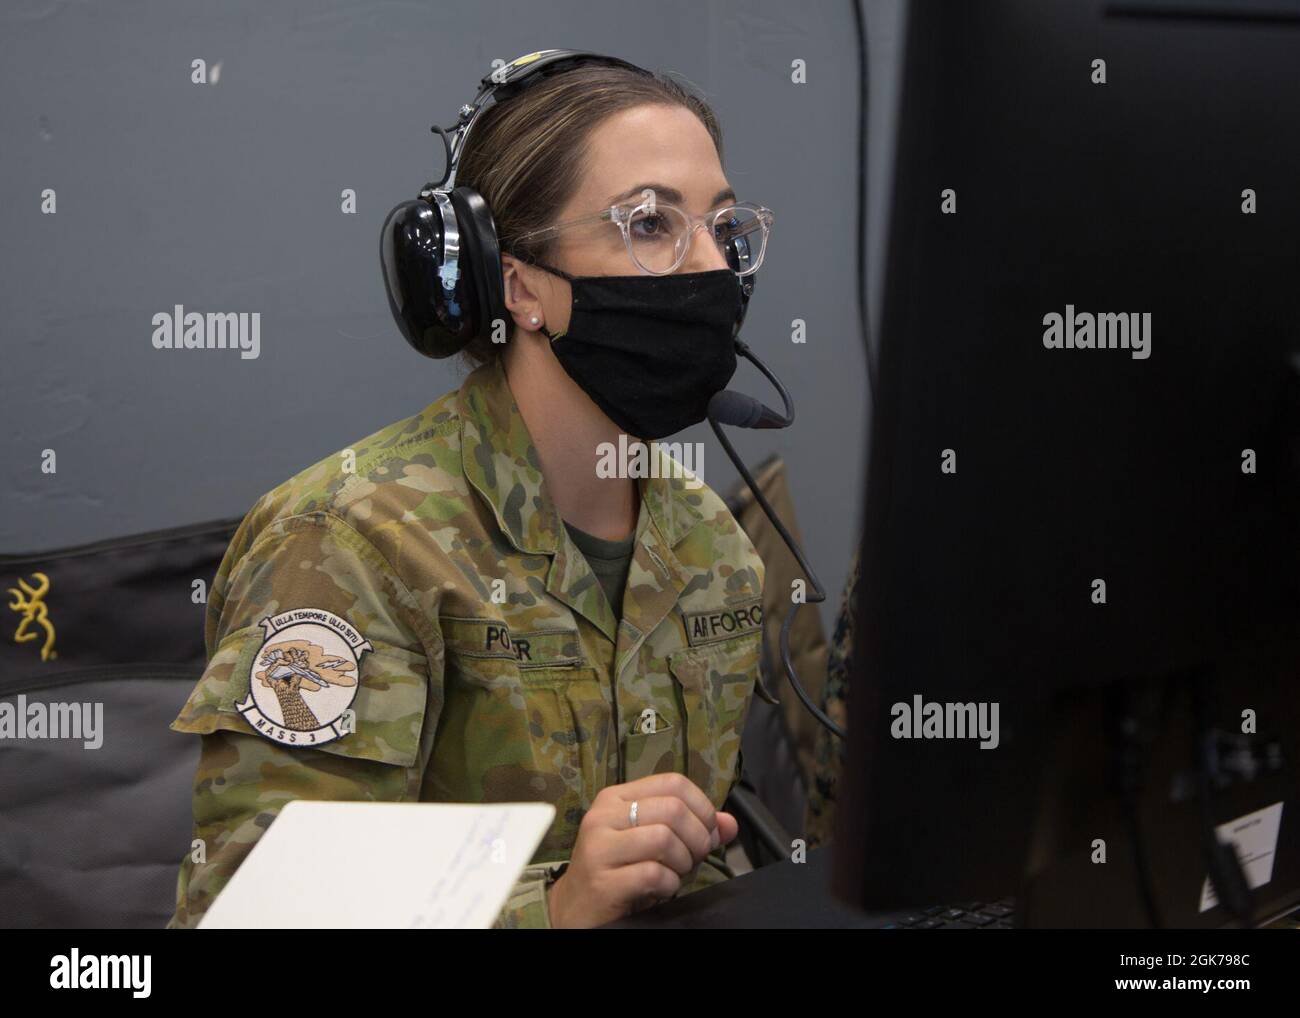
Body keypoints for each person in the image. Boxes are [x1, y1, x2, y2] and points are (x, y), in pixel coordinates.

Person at [166, 58, 775, 929]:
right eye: (649, 222)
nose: (713, 267)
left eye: (723, 226)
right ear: (518, 284)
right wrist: (553, 910)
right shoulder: (351, 543)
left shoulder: (710, 542)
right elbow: (249, 911)